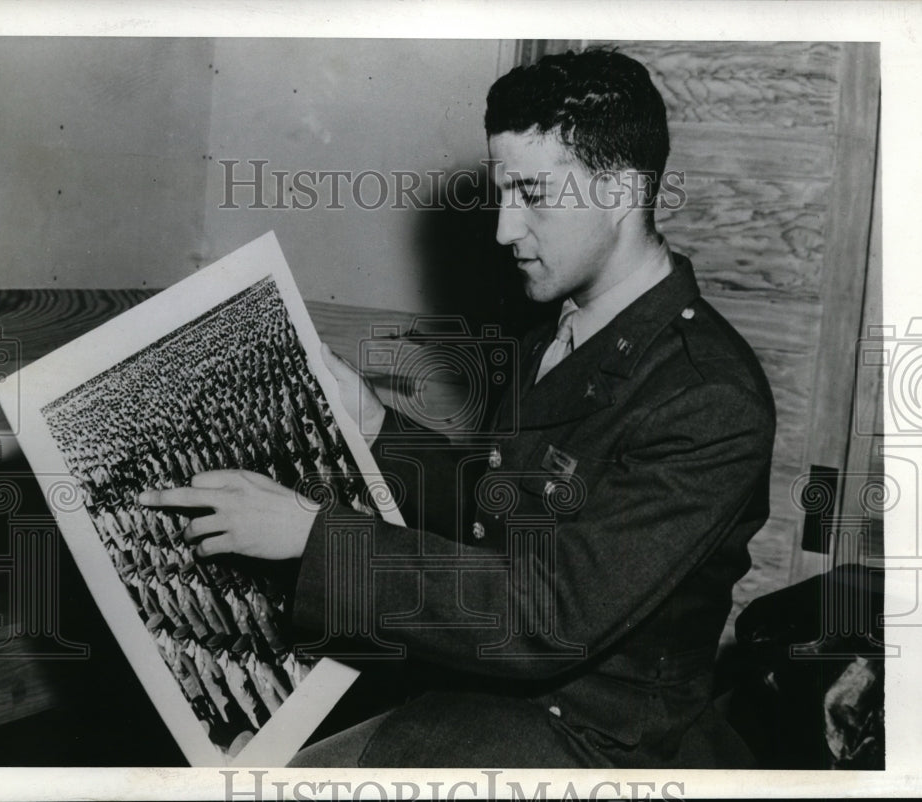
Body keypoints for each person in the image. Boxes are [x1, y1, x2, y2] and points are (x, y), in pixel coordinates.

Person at [139, 46, 775, 767]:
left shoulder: (708, 397)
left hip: (595, 741)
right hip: (486, 686)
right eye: (504, 194)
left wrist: (312, 534)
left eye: (533, 195)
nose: (505, 230)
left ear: (621, 193)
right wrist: (379, 426)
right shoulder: (555, 333)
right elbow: (497, 511)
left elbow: (549, 616)